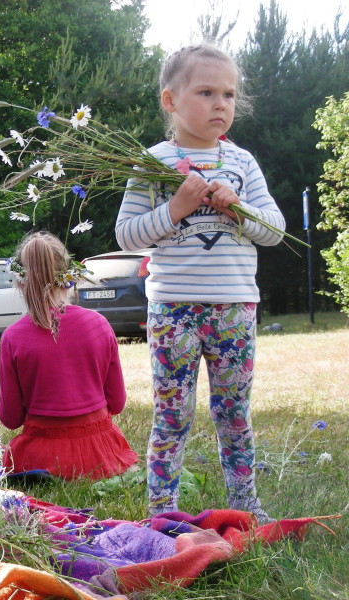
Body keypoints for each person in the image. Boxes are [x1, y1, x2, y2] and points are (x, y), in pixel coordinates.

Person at [115, 45, 285, 522]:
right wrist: (175, 208)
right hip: (172, 310)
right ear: (170, 101)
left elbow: (274, 230)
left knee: (234, 413)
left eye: (229, 94)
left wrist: (241, 210)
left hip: (234, 308)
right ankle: (162, 510)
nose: (220, 104)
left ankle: (245, 505)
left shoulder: (242, 163)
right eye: (206, 92)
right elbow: (126, 236)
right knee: (172, 414)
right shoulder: (153, 163)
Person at [0, 232, 137, 480]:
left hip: (39, 459)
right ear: (70, 277)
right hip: (101, 453)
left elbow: (10, 418)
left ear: (20, 281)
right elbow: (116, 403)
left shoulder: (12, 337)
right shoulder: (99, 325)